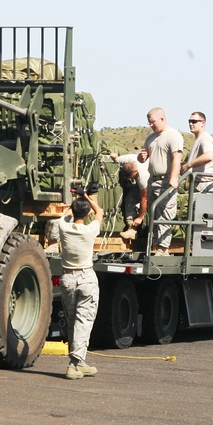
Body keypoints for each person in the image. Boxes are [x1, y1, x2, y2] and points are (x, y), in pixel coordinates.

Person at [56, 189, 103, 379]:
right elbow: (100, 211)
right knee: (84, 320)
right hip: (86, 278)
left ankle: (80, 361)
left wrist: (76, 201)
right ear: (87, 214)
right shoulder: (90, 229)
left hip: (67, 278)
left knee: (72, 320)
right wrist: (86, 196)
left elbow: (66, 214)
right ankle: (74, 364)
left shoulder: (63, 227)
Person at [138, 107, 183, 255]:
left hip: (166, 181)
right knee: (153, 214)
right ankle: (154, 245)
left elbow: (177, 158)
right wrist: (142, 157)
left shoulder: (173, 136)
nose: (151, 125)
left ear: (162, 119)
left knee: (164, 215)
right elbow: (142, 158)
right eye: (149, 123)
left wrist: (173, 177)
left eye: (153, 122)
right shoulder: (150, 138)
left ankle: (163, 249)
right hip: (153, 180)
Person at [109, 152, 148, 240]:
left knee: (136, 200)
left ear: (136, 171)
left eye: (132, 177)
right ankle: (131, 227)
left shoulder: (142, 177)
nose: (131, 179)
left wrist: (140, 217)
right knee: (130, 197)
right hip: (144, 183)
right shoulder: (127, 158)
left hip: (154, 184)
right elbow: (115, 159)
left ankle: (134, 229)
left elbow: (144, 199)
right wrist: (113, 156)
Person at [181, 111, 213, 194]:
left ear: (203, 123)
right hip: (198, 184)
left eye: (194, 121)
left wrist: (188, 165)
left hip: (203, 185)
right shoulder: (200, 138)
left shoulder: (205, 139)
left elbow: (209, 156)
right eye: (189, 121)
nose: (191, 124)